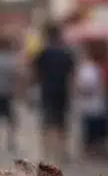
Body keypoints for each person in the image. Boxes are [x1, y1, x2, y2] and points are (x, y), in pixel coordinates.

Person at [32, 24, 76, 160]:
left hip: (47, 90)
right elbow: (72, 75)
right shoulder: (67, 52)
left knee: (46, 121)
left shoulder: (43, 53)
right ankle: (63, 151)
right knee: (62, 121)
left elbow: (35, 73)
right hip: (62, 90)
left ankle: (46, 153)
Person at [76, 41, 108, 156]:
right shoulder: (93, 68)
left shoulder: (91, 68)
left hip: (92, 102)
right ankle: (92, 147)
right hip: (92, 102)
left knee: (91, 126)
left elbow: (100, 85)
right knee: (91, 126)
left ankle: (91, 147)